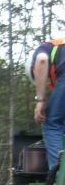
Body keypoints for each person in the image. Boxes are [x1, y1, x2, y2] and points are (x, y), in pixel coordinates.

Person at [28, 39, 65, 169]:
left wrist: (40, 100)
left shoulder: (44, 48)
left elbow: (42, 60)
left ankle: (60, 179)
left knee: (52, 124)